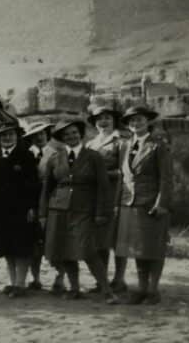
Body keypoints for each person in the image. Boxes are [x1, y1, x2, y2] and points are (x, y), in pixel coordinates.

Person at [40, 120, 119, 303]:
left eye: (74, 133)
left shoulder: (93, 156)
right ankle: (74, 288)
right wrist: (43, 213)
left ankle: (106, 290)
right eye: (66, 135)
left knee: (88, 250)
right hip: (58, 209)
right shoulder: (55, 158)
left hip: (84, 209)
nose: (71, 137)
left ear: (81, 134)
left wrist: (101, 212)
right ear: (61, 138)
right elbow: (47, 187)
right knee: (64, 249)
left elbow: (103, 186)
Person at [116, 105, 173, 305]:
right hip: (130, 204)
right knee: (138, 248)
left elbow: (166, 178)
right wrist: (118, 203)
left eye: (139, 119)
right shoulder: (125, 145)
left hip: (151, 204)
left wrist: (161, 204)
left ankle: (153, 290)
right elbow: (123, 177)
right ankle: (141, 288)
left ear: (147, 121)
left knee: (154, 248)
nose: (135, 123)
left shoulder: (158, 145)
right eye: (131, 121)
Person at [0, 123, 40, 298]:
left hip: (21, 209)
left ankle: (21, 284)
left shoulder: (26, 155)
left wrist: (32, 207)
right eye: (3, 136)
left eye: (10, 135)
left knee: (21, 246)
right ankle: (12, 281)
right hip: (1, 210)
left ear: (17, 136)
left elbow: (33, 183)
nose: (7, 138)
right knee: (6, 247)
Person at [86, 106, 128, 294]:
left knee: (117, 239)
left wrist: (101, 175)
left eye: (107, 118)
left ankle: (119, 279)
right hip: (94, 198)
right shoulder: (90, 144)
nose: (103, 122)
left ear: (114, 121)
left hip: (114, 194)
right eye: (99, 119)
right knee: (99, 239)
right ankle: (101, 279)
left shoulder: (121, 142)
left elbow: (123, 173)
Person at [23, 121, 56, 292]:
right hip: (30, 202)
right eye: (35, 134)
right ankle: (34, 277)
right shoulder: (26, 154)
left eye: (42, 133)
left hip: (50, 201)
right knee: (32, 241)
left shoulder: (56, 153)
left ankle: (59, 277)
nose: (40, 137)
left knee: (52, 239)